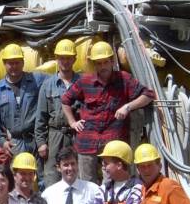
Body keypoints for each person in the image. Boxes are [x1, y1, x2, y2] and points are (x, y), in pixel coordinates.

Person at [60, 41, 155, 183]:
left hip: (113, 143)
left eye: (105, 62)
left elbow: (148, 95)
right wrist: (72, 122)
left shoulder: (124, 79)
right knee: (86, 184)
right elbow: (65, 100)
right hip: (87, 142)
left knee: (112, 182)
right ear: (94, 64)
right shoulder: (85, 81)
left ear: (112, 61)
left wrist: (128, 106)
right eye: (98, 63)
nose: (102, 66)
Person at [0, 43, 46, 165]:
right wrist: (2, 142)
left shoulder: (37, 79)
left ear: (23, 63)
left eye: (17, 62)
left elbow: (59, 79)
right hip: (15, 143)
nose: (14, 66)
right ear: (4, 64)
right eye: (10, 63)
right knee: (19, 179)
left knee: (41, 180)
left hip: (36, 141)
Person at [35, 39, 80, 187]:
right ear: (56, 59)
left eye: (68, 58)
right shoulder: (47, 85)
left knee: (77, 174)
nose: (65, 62)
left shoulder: (83, 82)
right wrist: (41, 143)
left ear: (75, 59)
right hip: (55, 136)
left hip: (77, 135)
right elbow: (40, 117)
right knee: (52, 177)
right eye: (62, 58)